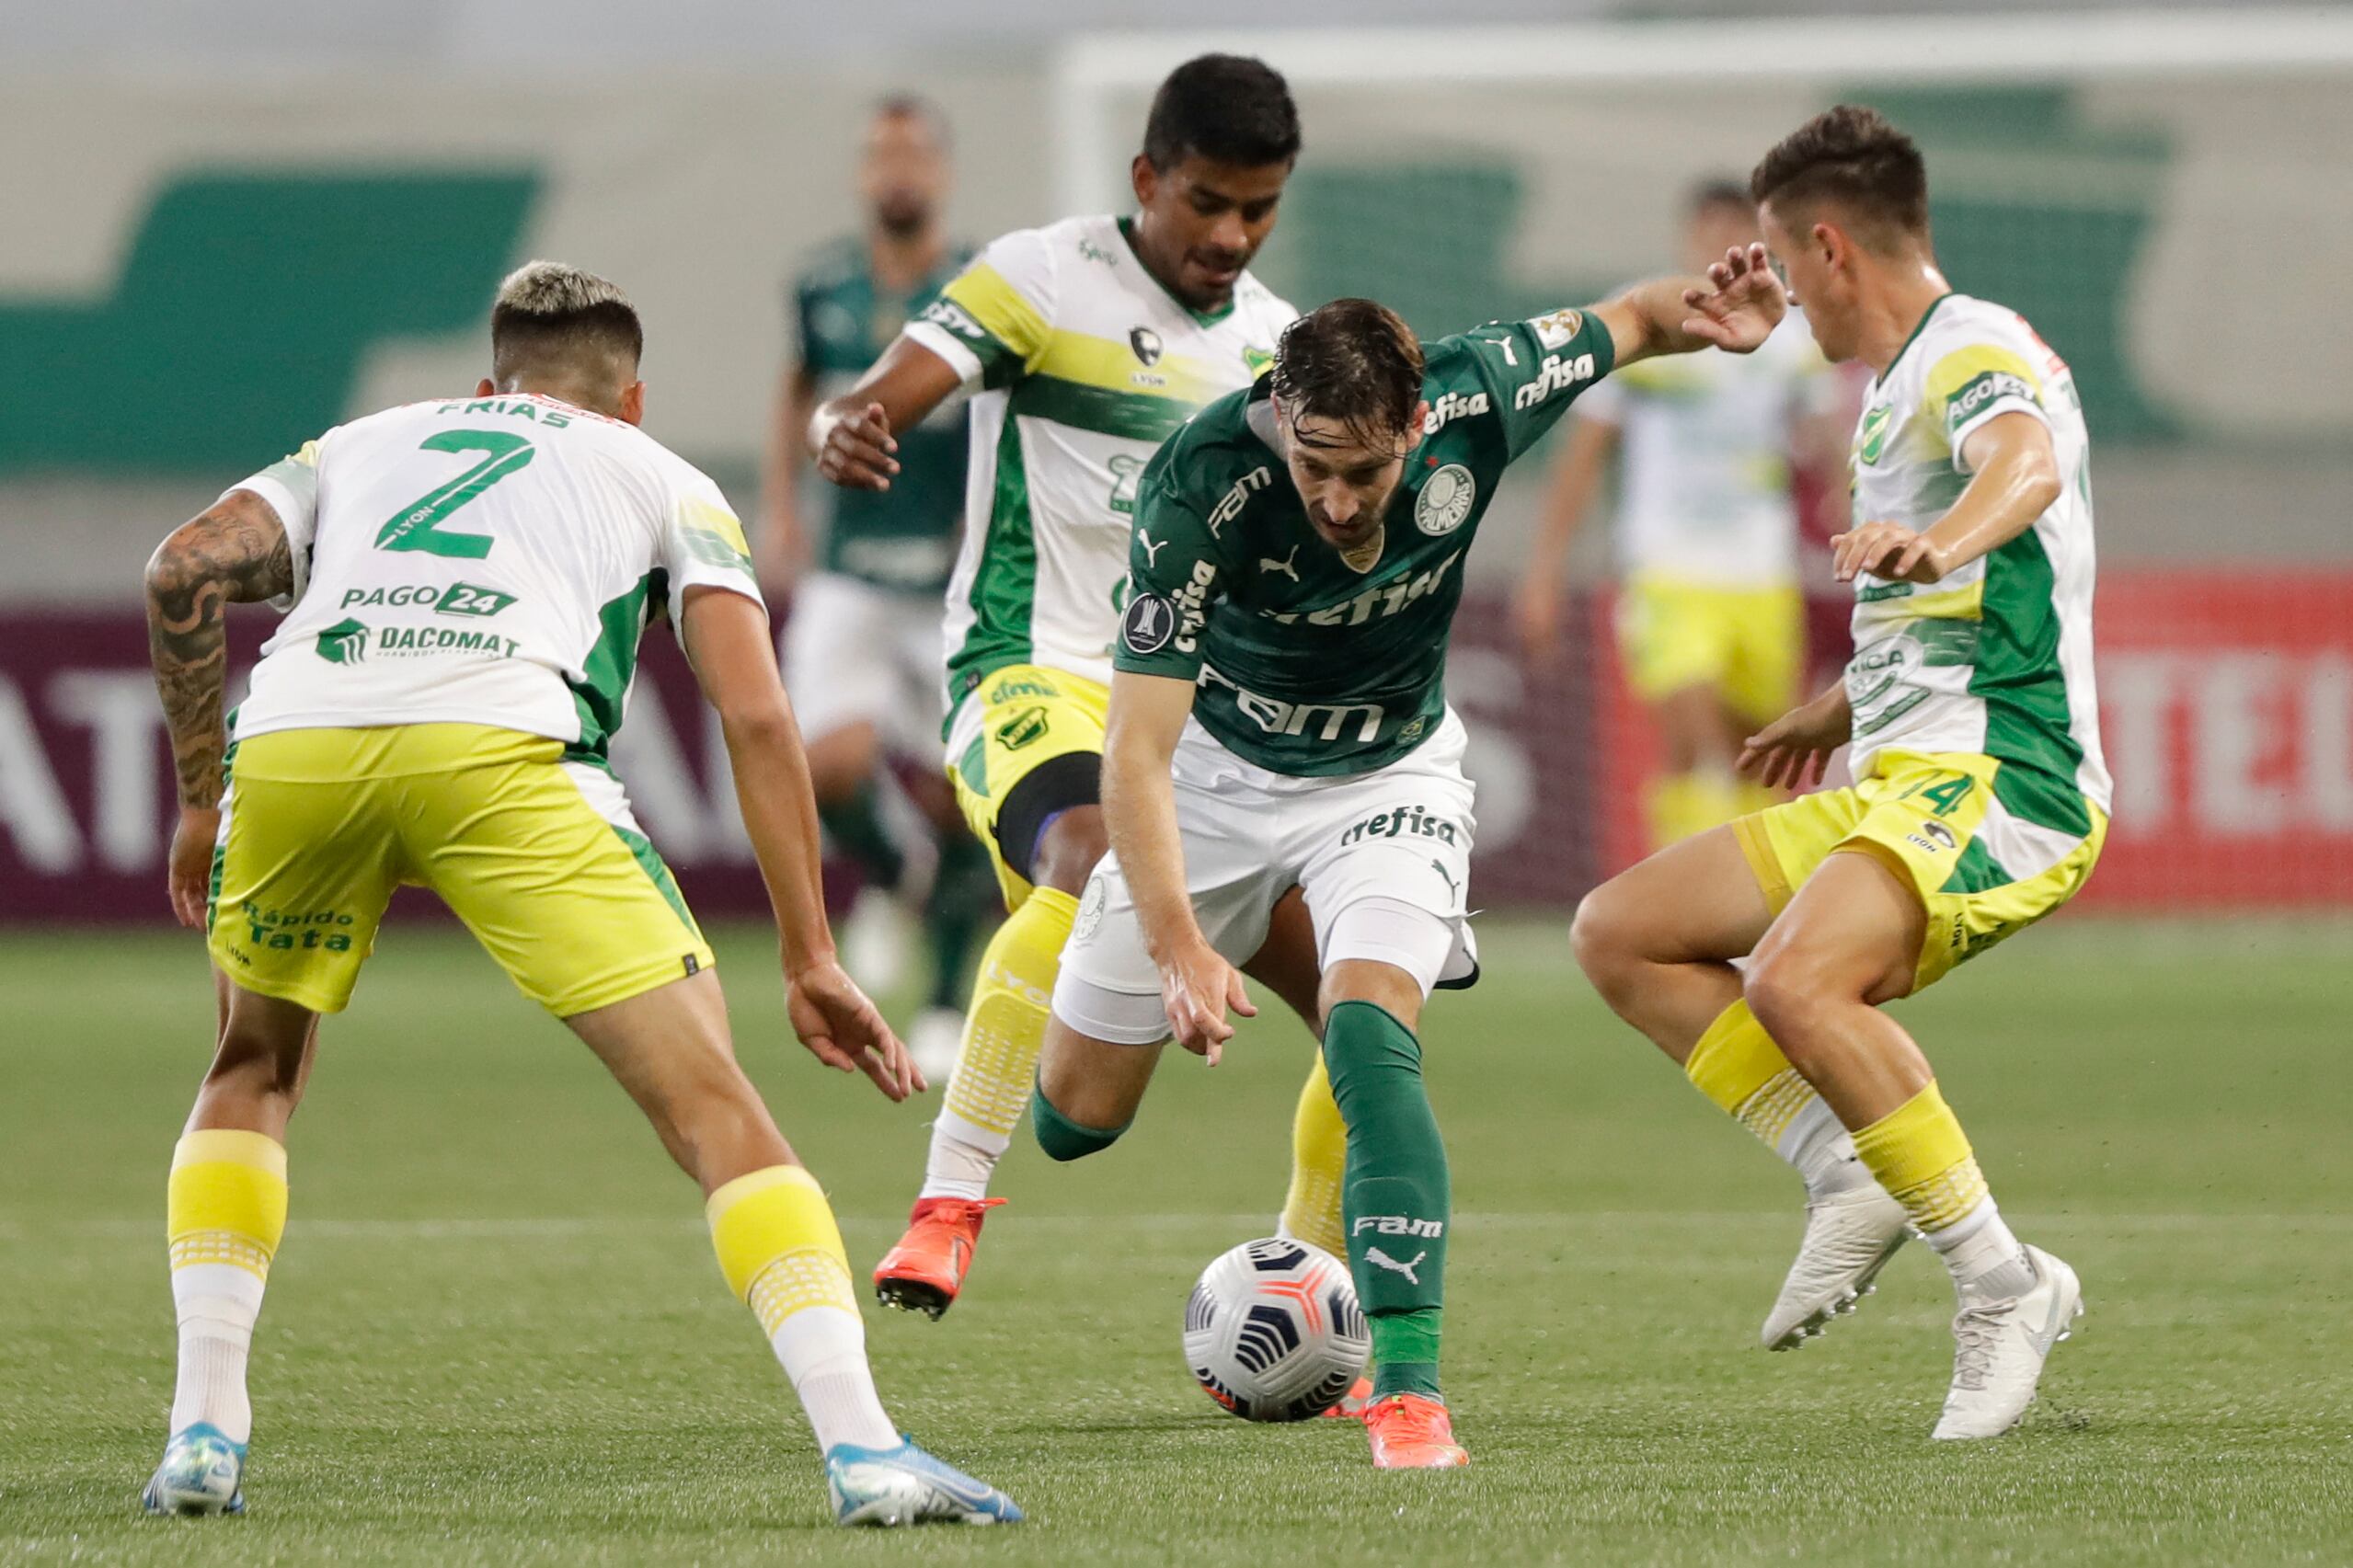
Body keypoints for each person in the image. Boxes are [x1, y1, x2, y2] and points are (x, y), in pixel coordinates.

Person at [138, 262, 1019, 1526]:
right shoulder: (659, 475)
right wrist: (811, 954)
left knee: (254, 1068)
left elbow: (180, 573)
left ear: (485, 384)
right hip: (500, 753)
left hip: (297, 742)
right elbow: (758, 712)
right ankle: (866, 1450)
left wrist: (201, 799)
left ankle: (203, 1432)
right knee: (716, 1109)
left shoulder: (357, 444)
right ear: (633, 398)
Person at [1029, 259, 1791, 1467]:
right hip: (1217, 784)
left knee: (1373, 1035)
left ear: (1417, 425)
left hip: (1390, 776)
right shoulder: (1197, 482)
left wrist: (1714, 320)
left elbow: (1637, 318)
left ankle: (1407, 1392)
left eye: (1366, 470)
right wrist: (1175, 941)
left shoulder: (1484, 388)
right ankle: (1239, 932)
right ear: (1280, 419)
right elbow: (1134, 745)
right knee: (1073, 1120)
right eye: (1314, 464)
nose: (1336, 499)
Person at [1570, 105, 2109, 1440]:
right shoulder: (1890, 385)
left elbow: (2023, 466)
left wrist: (1940, 542)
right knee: (1622, 934)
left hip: (2007, 781)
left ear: (1825, 247)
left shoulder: (1969, 349)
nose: (1778, 286)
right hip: (1899, 777)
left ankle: (2000, 1285)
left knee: (1803, 981)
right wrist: (1836, 702)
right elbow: (1942, 610)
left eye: (1778, 257)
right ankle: (1843, 1170)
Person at [809, 54, 1348, 1325]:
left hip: (1194, 725)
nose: (1229, 235)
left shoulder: (1278, 352)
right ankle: (943, 1211)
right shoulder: (1036, 277)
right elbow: (893, 388)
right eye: (1206, 202)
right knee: (1095, 851)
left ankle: (1311, 1290)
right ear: (1145, 176)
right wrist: (858, 422)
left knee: (1362, 998)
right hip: (1028, 672)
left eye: (1257, 209)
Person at [756, 96, 994, 1080]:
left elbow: (1002, 409)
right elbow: (797, 387)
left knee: (969, 790)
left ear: (940, 170)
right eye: (879, 154)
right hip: (852, 570)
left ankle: (943, 1000)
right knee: (826, 767)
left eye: (912, 153)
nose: (896, 170)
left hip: (953, 580)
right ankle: (897, 876)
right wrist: (778, 504)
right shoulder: (821, 284)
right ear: (863, 174)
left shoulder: (978, 286)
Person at [1517, 178, 1845, 850]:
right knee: (1694, 740)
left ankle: (1759, 908)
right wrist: (1546, 570)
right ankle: (1689, 904)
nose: (1719, 246)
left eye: (1735, 231)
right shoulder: (1642, 321)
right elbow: (1582, 456)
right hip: (1666, 564)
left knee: (1759, 751)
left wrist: (1855, 520)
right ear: (1688, 237)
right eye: (1708, 231)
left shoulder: (1786, 333)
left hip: (1761, 569)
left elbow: (1828, 448)